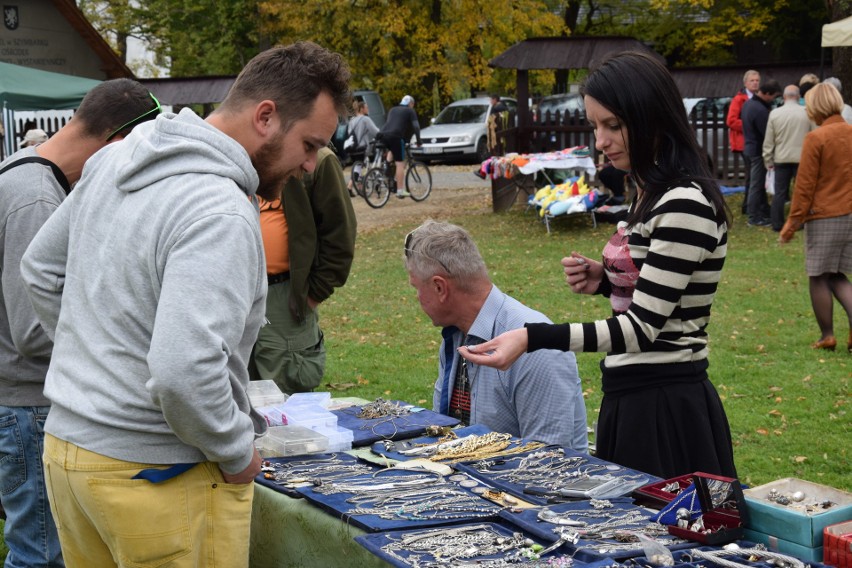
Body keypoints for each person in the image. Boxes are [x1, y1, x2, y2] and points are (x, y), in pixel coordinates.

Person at [20, 41, 350, 568]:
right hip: (156, 476)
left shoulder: (115, 157)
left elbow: (40, 270)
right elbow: (182, 372)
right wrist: (237, 453)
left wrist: (102, 363)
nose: (311, 166)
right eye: (310, 144)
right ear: (266, 116)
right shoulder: (219, 209)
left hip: (69, 457)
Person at [461, 51, 737, 480]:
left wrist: (533, 337)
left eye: (613, 125)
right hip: (633, 398)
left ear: (652, 117)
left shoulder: (684, 203)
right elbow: (665, 291)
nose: (600, 140)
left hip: (665, 408)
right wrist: (607, 282)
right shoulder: (649, 192)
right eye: (595, 126)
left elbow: (641, 330)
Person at [0, 78, 158, 568]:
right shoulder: (36, 199)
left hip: (16, 404)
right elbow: (31, 331)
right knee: (42, 553)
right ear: (115, 141)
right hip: (27, 405)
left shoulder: (17, 171)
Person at [405, 220, 588, 450]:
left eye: (416, 288)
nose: (417, 298)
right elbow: (444, 433)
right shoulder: (456, 334)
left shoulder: (536, 345)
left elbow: (548, 461)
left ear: (440, 288)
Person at [250, 146, 357, 394]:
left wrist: (312, 294)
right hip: (237, 293)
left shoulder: (317, 161)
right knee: (238, 391)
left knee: (285, 396)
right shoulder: (241, 152)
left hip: (284, 295)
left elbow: (340, 235)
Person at [779, 82, 852, 353]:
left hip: (824, 216)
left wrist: (792, 223)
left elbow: (804, 186)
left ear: (815, 106)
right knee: (837, 275)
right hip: (849, 214)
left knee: (819, 276)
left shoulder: (817, 138)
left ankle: (827, 335)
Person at [762, 85, 814, 232]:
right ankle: (800, 221)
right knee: (801, 191)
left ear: (784, 97)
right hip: (801, 158)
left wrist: (768, 160)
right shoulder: (806, 113)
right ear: (798, 97)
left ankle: (777, 223)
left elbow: (769, 141)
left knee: (779, 193)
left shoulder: (775, 114)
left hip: (781, 157)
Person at [742, 78, 782, 227]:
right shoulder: (760, 109)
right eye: (773, 96)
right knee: (757, 184)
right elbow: (767, 133)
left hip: (749, 147)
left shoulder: (748, 104)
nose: (773, 99)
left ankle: (763, 210)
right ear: (766, 93)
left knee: (755, 182)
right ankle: (754, 216)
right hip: (757, 150)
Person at [726, 70, 760, 215]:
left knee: (752, 175)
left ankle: (749, 204)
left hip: (752, 141)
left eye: (757, 80)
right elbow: (731, 121)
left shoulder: (757, 98)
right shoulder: (739, 99)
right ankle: (748, 206)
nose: (755, 82)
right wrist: (749, 124)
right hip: (743, 142)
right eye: (752, 80)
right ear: (745, 83)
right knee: (752, 175)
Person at [378, 94, 421, 198]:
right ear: (410, 103)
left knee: (391, 151)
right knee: (400, 164)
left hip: (383, 135)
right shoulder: (410, 111)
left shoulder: (393, 110)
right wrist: (419, 140)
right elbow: (416, 126)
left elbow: (390, 123)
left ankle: (386, 169)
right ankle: (400, 190)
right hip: (396, 137)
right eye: (413, 105)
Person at [346, 99, 380, 195]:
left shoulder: (352, 120)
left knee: (358, 166)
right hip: (362, 148)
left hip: (352, 148)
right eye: (366, 107)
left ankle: (359, 187)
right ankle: (350, 186)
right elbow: (375, 131)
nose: (368, 109)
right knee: (359, 166)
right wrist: (382, 135)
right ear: (361, 109)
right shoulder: (365, 119)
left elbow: (349, 133)